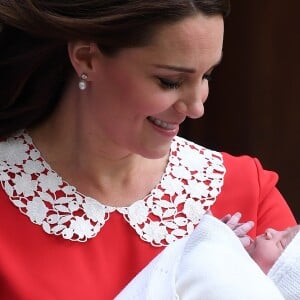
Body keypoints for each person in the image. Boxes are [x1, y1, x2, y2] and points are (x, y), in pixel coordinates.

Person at [0, 1, 296, 299]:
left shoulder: (246, 190)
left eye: (206, 76)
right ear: (87, 58)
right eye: (170, 81)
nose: (196, 108)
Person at [117, 214, 300, 300]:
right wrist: (222, 241)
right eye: (282, 231)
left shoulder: (249, 292)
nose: (270, 231)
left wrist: (214, 239)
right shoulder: (229, 261)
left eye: (281, 243)